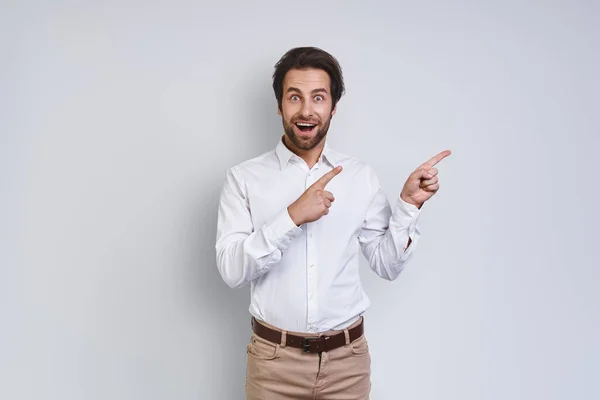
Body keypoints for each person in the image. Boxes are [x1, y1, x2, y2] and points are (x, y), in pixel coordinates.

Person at [215, 46, 451, 399]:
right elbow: (232, 271)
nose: (306, 110)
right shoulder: (244, 179)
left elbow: (387, 266)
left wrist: (408, 206)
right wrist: (292, 216)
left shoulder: (359, 176)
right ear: (279, 105)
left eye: (318, 98)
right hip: (273, 366)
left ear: (333, 107)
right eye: (294, 97)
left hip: (347, 364)